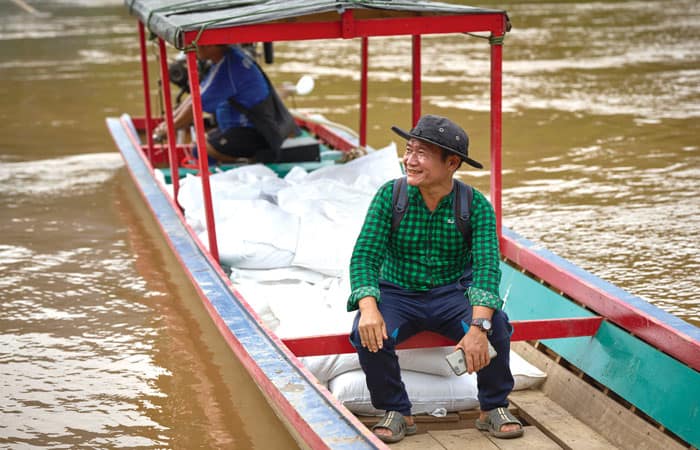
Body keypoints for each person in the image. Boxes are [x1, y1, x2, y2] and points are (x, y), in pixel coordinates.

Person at [347, 115, 523, 443]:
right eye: (408, 150)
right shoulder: (391, 196)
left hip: (453, 292)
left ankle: (493, 407)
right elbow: (364, 258)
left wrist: (478, 328)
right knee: (367, 333)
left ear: (452, 163)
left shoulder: (475, 206)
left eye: (421, 154)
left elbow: (487, 269)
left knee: (497, 325)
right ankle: (396, 410)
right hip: (398, 292)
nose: (409, 160)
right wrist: (369, 308)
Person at [153, 44, 295, 164]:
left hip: (256, 132)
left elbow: (195, 106)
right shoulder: (224, 60)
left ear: (216, 44)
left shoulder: (229, 67)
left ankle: (245, 163)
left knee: (201, 148)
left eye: (201, 43)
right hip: (239, 129)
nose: (195, 46)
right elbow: (196, 95)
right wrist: (169, 122)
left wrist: (168, 128)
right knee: (203, 142)